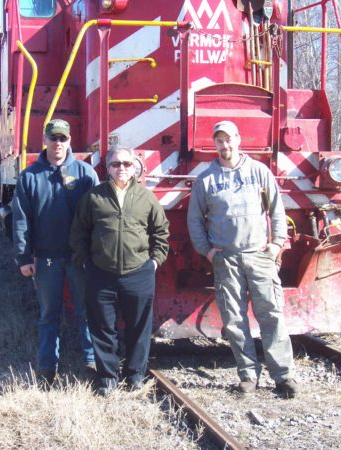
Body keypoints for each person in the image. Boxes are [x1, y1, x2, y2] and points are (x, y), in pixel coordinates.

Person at [187, 120, 298, 398]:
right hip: (226, 260)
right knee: (235, 321)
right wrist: (208, 252)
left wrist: (275, 246)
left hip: (260, 256)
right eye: (219, 141)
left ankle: (284, 376)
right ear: (214, 144)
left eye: (229, 139)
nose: (225, 145)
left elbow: (276, 211)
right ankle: (248, 376)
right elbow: (194, 221)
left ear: (238, 139)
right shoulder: (206, 180)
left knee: (271, 315)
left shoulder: (259, 172)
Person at [70, 147, 169, 396]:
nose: (121, 168)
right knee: (103, 327)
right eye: (116, 164)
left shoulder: (146, 198)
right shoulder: (94, 198)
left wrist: (154, 262)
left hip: (138, 272)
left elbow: (161, 233)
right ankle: (108, 377)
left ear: (134, 167)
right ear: (107, 168)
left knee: (138, 327)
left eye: (126, 163)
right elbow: (78, 233)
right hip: (101, 273)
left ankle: (135, 374)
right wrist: (85, 262)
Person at [12, 118, 99, 384]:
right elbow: (20, 219)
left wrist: (97, 254)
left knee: (86, 311)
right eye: (54, 138)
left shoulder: (85, 174)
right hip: (47, 258)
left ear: (69, 141)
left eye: (63, 138)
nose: (58, 143)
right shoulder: (29, 177)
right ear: (45, 140)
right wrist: (24, 257)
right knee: (49, 314)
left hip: (79, 258)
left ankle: (92, 363)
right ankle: (47, 368)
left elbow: (99, 216)